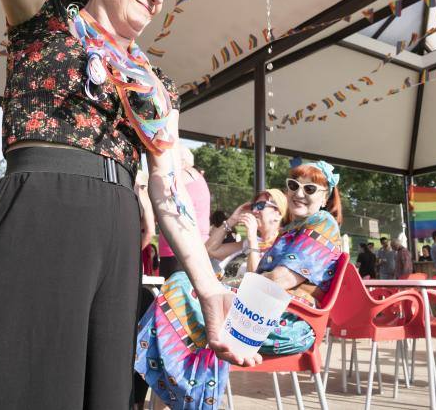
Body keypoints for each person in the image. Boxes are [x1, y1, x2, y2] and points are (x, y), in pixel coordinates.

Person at [0, 0, 257, 408]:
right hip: (41, 205)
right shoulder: (42, 22)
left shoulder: (156, 85)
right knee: (15, 373)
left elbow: (168, 191)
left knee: (101, 390)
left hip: (116, 227)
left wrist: (209, 290)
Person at [135, 161, 344, 408]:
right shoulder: (292, 230)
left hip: (287, 323)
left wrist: (223, 287)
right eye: (293, 185)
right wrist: (232, 223)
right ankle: (172, 395)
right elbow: (210, 252)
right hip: (261, 312)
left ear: (325, 196)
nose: (299, 193)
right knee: (180, 296)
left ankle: (166, 393)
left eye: (309, 189)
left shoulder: (322, 223)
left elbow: (280, 280)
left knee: (181, 291)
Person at [206, 189, 287, 280]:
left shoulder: (283, 246)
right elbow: (210, 250)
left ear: (278, 214)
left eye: (260, 205)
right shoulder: (248, 243)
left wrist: (252, 237)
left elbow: (254, 279)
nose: (255, 210)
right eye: (254, 206)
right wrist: (232, 220)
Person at [158, 145, 211, 278]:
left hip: (179, 248)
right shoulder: (196, 178)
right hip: (191, 247)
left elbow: (163, 203)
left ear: (179, 160)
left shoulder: (182, 176)